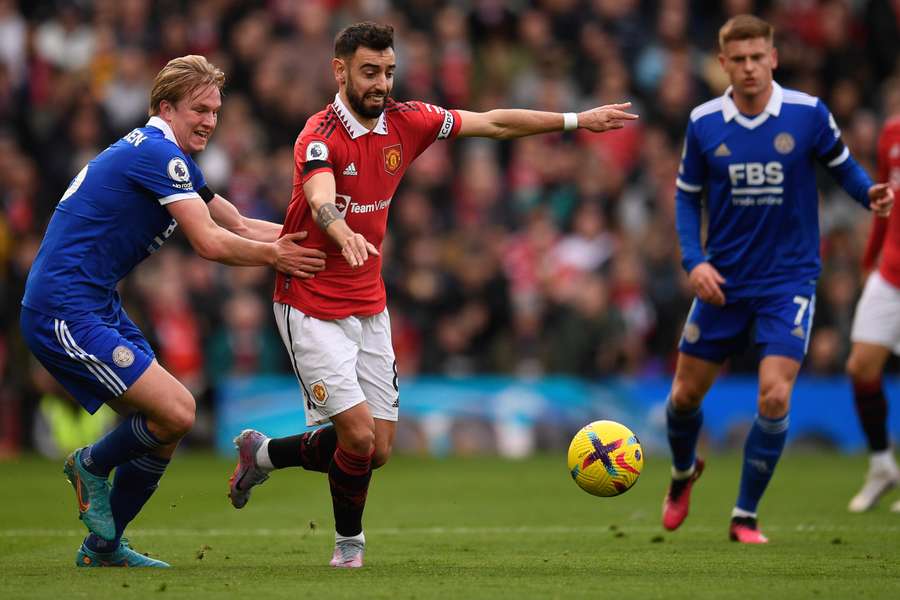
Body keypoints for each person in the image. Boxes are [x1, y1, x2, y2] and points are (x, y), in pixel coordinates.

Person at [226, 21, 637, 568]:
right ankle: (349, 546)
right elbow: (320, 190)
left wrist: (575, 120)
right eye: (370, 71)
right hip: (309, 302)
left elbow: (492, 123)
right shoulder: (318, 134)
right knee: (355, 435)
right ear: (340, 70)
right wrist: (339, 228)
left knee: (377, 449)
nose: (382, 83)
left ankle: (263, 454)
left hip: (369, 303)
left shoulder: (407, 121)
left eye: (389, 72)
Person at [19, 55, 326, 567]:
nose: (210, 120)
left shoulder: (168, 158)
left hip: (94, 304)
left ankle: (102, 546)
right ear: (165, 107)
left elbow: (238, 223)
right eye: (199, 109)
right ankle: (89, 464)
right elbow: (208, 242)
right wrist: (279, 257)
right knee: (178, 409)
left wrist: (323, 240)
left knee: (168, 424)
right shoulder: (158, 155)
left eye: (215, 111)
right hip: (63, 308)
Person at [663, 15, 893, 543]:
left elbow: (842, 167)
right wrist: (694, 261)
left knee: (773, 397)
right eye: (737, 60)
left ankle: (744, 515)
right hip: (723, 278)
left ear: (773, 58)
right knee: (683, 398)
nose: (748, 68)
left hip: (787, 280)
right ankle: (681, 475)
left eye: (757, 57)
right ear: (723, 64)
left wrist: (869, 196)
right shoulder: (703, 122)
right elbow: (685, 196)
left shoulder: (808, 114)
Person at [846, 93, 900, 513]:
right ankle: (882, 464)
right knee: (861, 366)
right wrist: (869, 260)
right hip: (889, 274)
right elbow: (883, 201)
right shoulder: (891, 133)